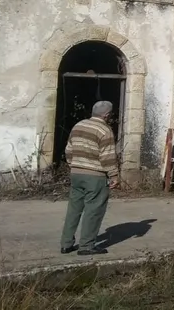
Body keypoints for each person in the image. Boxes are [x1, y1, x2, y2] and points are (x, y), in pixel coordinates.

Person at [60, 100, 120, 256]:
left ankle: (66, 244)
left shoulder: (78, 126)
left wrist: (74, 165)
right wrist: (113, 175)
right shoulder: (105, 130)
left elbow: (68, 150)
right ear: (106, 115)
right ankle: (86, 246)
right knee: (94, 210)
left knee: (74, 209)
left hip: (76, 173)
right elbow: (107, 157)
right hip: (95, 176)